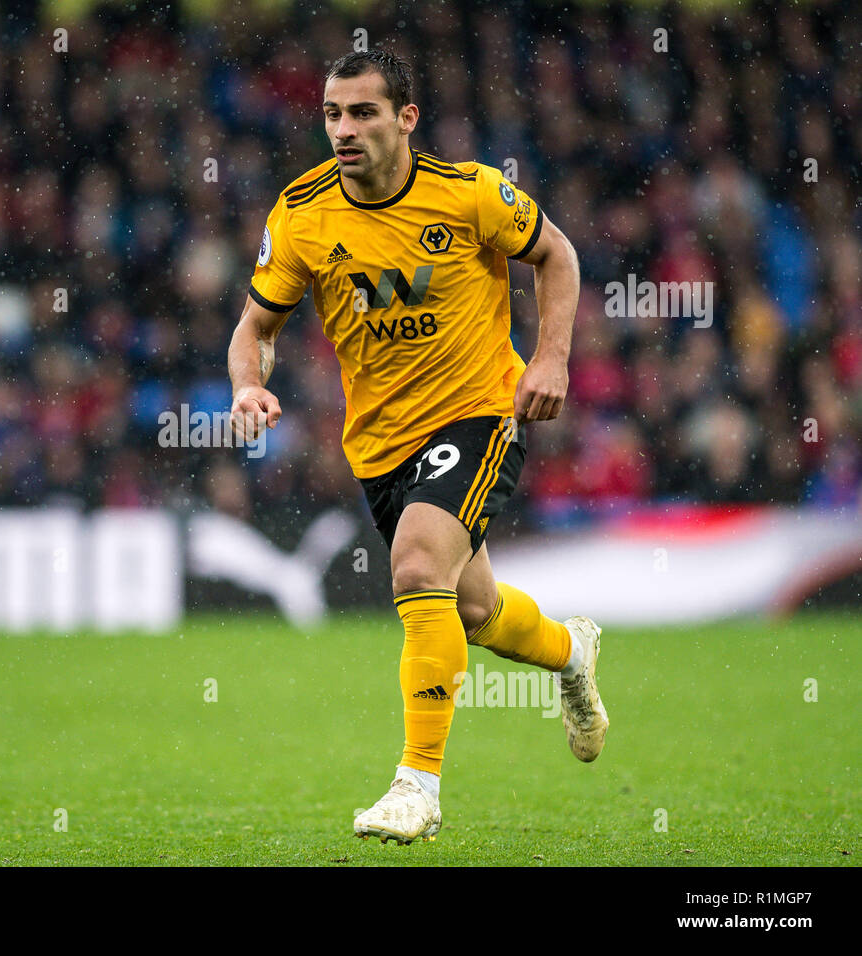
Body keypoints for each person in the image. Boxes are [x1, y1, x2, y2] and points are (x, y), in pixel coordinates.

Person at [227, 50, 608, 845]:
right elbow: (256, 328)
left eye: (363, 112)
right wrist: (246, 385)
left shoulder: (468, 192)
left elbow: (557, 255)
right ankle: (571, 652)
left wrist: (551, 356)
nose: (343, 130)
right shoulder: (301, 213)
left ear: (406, 119)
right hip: (378, 446)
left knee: (415, 569)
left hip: (477, 414)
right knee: (471, 611)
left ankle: (416, 787)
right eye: (332, 113)